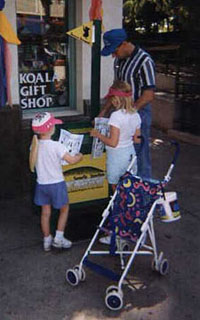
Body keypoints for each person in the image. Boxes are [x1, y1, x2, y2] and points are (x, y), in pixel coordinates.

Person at [100, 28, 156, 179]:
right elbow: (115, 90)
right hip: (121, 112)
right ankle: (127, 192)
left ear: (124, 44)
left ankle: (145, 193)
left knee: (140, 154)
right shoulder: (119, 61)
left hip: (139, 113)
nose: (113, 55)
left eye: (114, 50)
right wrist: (103, 112)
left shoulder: (145, 61)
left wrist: (130, 113)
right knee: (121, 153)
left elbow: (149, 95)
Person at [30, 112, 83, 252]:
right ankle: (59, 238)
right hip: (57, 184)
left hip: (41, 184)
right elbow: (71, 160)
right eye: (53, 124)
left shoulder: (34, 146)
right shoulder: (56, 146)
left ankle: (47, 239)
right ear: (50, 128)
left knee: (45, 212)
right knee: (64, 209)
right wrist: (79, 156)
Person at [90, 80, 141, 194]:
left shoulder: (116, 116)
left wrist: (97, 134)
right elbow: (137, 139)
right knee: (129, 187)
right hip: (130, 154)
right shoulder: (136, 114)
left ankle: (121, 209)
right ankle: (130, 208)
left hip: (117, 156)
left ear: (115, 99)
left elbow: (113, 143)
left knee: (116, 188)